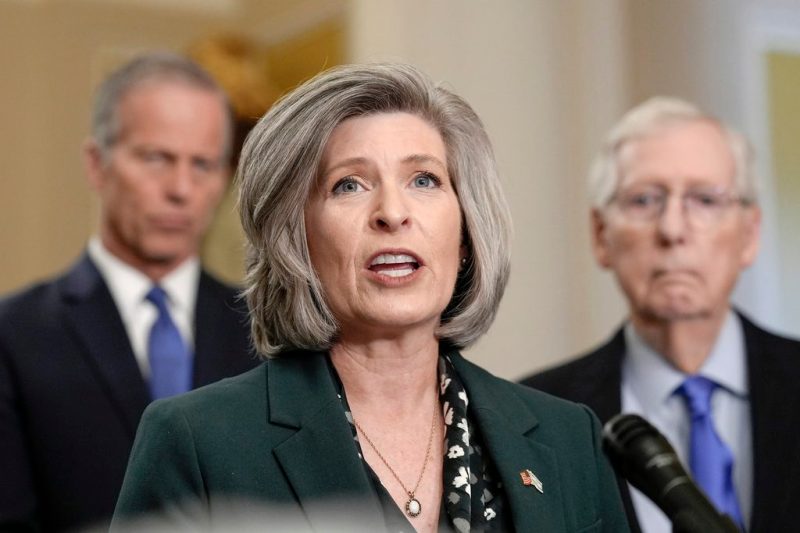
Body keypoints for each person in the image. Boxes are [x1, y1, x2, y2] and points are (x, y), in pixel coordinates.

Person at [111, 63, 630, 532]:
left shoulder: (570, 438)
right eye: (349, 185)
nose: (393, 212)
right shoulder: (197, 441)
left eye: (424, 179)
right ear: (295, 238)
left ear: (466, 234)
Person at [0, 52, 257, 532]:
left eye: (203, 164)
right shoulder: (14, 336)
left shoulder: (267, 330)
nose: (181, 188)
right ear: (97, 164)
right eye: (157, 158)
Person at [521, 97, 800, 533]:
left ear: (749, 234)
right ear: (600, 235)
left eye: (705, 200)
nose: (673, 230)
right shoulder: (532, 423)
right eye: (645, 200)